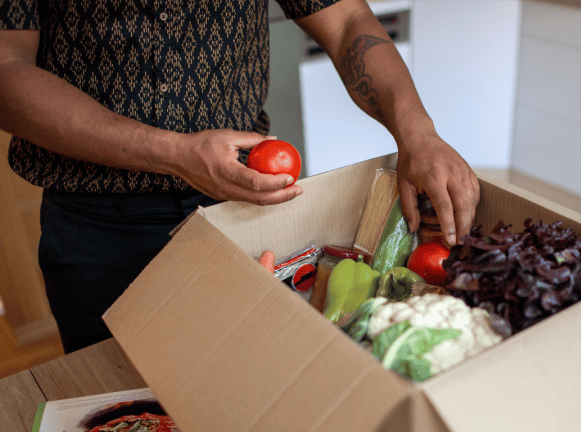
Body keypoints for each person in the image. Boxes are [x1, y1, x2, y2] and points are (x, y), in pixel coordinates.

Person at [0, 0, 480, 354]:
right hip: (99, 231)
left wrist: (418, 133)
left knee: (267, 374)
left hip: (251, 212)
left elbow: (349, 20)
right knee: (125, 400)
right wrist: (174, 153)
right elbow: (6, 66)